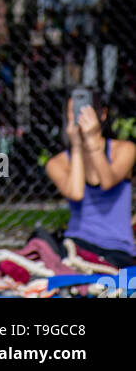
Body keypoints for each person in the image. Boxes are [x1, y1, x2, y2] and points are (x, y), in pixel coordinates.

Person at [44, 91, 136, 266]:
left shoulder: (124, 149)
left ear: (102, 114)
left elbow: (107, 181)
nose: (79, 115)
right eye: (74, 111)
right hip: (77, 244)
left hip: (116, 249)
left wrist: (92, 140)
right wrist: (77, 146)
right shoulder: (57, 163)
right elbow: (76, 193)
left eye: (85, 109)